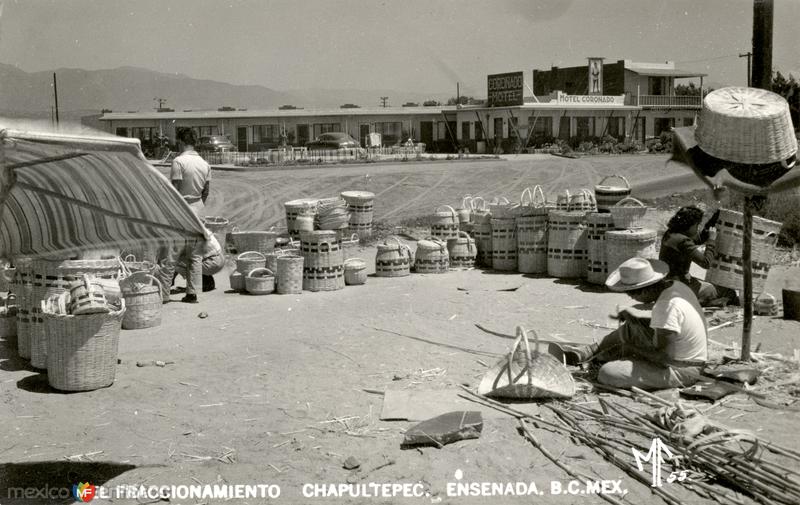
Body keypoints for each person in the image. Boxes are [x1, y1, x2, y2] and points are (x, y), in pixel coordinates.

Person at [549, 257, 707, 390]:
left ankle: (601, 358)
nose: (632, 299)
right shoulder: (676, 286)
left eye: (632, 294)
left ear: (644, 290)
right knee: (632, 326)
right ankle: (587, 352)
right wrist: (635, 321)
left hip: (683, 370)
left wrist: (631, 350)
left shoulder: (665, 306)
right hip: (687, 356)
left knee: (607, 373)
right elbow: (669, 327)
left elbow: (664, 358)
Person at [659, 206, 737, 307]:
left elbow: (697, 240)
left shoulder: (671, 234)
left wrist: (714, 219)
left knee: (709, 287)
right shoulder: (682, 241)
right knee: (728, 292)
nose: (698, 228)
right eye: (697, 225)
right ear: (689, 225)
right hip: (680, 286)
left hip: (668, 283)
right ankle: (701, 302)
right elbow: (706, 263)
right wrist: (711, 240)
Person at [168, 128, 212, 303]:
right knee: (195, 254)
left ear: (180, 142)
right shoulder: (204, 163)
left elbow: (175, 189)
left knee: (172, 253)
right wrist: (197, 205)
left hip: (181, 208)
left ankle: (164, 292)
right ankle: (192, 293)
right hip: (197, 208)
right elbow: (206, 191)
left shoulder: (178, 161)